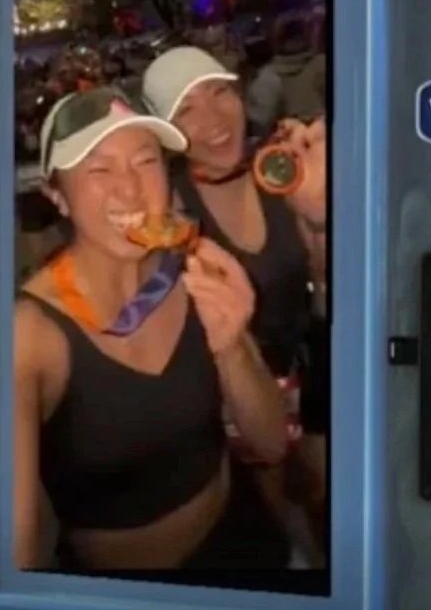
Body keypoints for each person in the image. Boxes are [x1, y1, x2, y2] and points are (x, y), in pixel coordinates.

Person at [13, 85, 291, 572]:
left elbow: (271, 442)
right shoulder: (30, 335)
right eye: (99, 169)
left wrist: (231, 344)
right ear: (57, 196)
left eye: (146, 161)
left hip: (249, 544)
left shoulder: (193, 271)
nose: (130, 189)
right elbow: (17, 548)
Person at [141, 44, 328, 560]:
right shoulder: (169, 210)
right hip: (238, 392)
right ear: (168, 132)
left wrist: (318, 214)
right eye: (186, 109)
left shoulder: (280, 168)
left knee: (330, 511)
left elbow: (326, 281)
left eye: (219, 93)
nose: (213, 119)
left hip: (312, 367)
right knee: (281, 529)